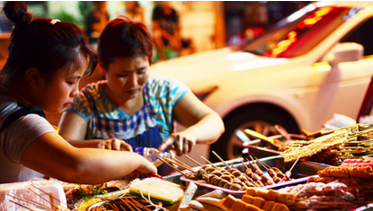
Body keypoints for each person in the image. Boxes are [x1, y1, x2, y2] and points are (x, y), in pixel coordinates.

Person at [0, 1, 157, 184]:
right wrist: (136, 160)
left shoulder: (5, 100)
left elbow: (54, 145)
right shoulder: (19, 120)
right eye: (70, 81)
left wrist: (99, 146)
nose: (76, 92)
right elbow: (75, 166)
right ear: (34, 77)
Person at [58, 16, 225, 174]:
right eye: (123, 74)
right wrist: (99, 145)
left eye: (141, 71)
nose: (134, 82)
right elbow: (62, 149)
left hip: (163, 192)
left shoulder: (164, 91)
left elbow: (215, 122)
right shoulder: (87, 100)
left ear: (150, 61)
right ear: (103, 67)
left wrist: (190, 135)